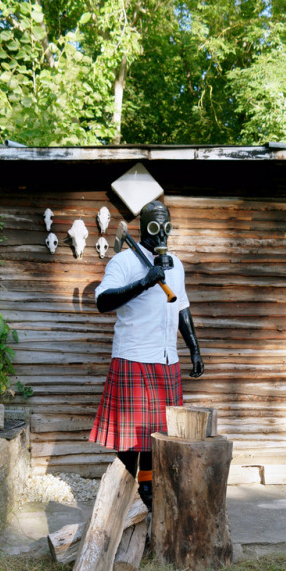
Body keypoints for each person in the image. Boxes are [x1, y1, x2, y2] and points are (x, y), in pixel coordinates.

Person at [89, 200, 204, 509]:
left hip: (167, 360)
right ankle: (119, 498)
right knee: (130, 442)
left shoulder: (175, 265)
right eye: (156, 227)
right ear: (143, 228)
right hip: (134, 358)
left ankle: (149, 495)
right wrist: (143, 282)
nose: (162, 234)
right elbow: (102, 302)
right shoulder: (124, 262)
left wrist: (193, 348)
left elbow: (181, 307)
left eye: (167, 227)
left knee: (158, 438)